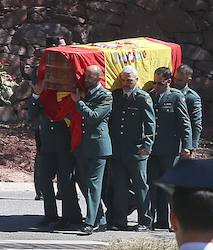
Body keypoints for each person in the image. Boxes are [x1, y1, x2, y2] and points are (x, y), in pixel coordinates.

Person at [29, 78, 81, 230]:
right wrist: (36, 95)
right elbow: (32, 115)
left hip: (65, 145)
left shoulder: (65, 97)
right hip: (47, 145)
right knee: (44, 179)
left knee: (65, 181)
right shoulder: (43, 97)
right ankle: (50, 214)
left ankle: (69, 217)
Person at [107, 65, 155, 232]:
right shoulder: (116, 96)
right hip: (118, 150)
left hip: (137, 150)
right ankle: (120, 220)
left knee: (141, 186)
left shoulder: (143, 97)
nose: (126, 83)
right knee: (120, 187)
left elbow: (150, 124)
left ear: (136, 80)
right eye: (123, 80)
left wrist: (147, 145)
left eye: (129, 80)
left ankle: (145, 221)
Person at [147, 67, 192, 230]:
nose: (156, 86)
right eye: (154, 82)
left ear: (168, 81)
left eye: (159, 83)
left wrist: (187, 146)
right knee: (155, 185)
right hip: (153, 149)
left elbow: (184, 123)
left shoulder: (176, 96)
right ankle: (159, 220)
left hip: (171, 149)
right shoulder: (151, 96)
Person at [70, 64, 113, 235]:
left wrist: (78, 102)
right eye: (85, 76)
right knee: (83, 181)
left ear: (98, 78)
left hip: (98, 146)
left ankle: (90, 222)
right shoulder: (86, 92)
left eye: (89, 77)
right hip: (83, 146)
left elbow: (94, 117)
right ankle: (100, 219)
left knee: (94, 185)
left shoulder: (106, 96)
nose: (85, 79)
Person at [34, 33, 67, 201]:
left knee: (65, 154)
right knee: (44, 153)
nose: (65, 48)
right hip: (46, 115)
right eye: (62, 45)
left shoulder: (68, 65)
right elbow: (37, 90)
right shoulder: (41, 66)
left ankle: (62, 190)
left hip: (64, 114)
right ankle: (41, 190)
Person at [173, 64, 203, 153]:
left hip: (183, 140)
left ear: (188, 80)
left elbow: (196, 123)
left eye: (180, 80)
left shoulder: (192, 97)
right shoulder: (169, 92)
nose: (176, 82)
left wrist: (192, 146)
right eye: (175, 78)